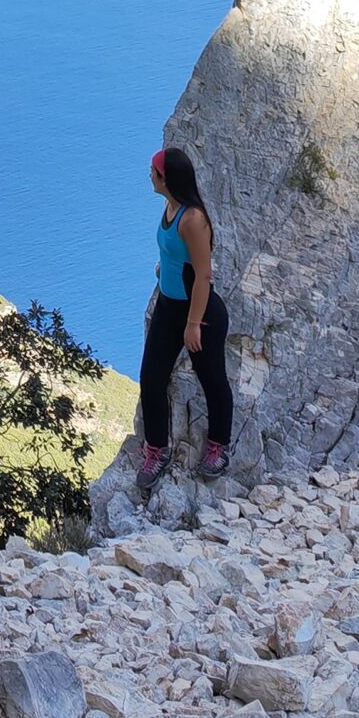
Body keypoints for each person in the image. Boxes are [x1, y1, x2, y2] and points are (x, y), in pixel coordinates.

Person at [136, 145, 233, 491]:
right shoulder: (170, 207)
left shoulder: (193, 219)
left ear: (166, 178)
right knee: (151, 378)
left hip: (199, 312)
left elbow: (204, 276)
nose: (150, 175)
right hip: (168, 306)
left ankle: (219, 447)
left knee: (212, 380)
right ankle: (156, 450)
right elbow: (175, 254)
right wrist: (165, 271)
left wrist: (194, 324)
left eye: (154, 171)